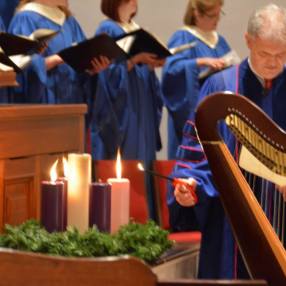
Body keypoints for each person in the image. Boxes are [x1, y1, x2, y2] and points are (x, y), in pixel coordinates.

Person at [169, 3, 286, 279]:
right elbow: (196, 153)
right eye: (264, 53)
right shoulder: (220, 87)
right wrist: (189, 185)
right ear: (248, 41)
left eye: (281, 54)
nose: (273, 62)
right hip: (229, 224)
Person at [91, 0, 164, 219]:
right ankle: (125, 219)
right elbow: (107, 73)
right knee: (128, 158)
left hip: (142, 106)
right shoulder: (108, 29)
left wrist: (150, 64)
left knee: (145, 160)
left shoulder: (136, 29)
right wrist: (135, 60)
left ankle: (146, 221)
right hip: (124, 110)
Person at [162, 0, 232, 159]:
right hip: (193, 115)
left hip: (217, 118)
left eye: (219, 14)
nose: (217, 20)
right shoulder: (183, 37)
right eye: (213, 15)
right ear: (197, 14)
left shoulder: (220, 41)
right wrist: (199, 63)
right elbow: (170, 72)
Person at [8, 0, 109, 105]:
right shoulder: (25, 19)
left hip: (72, 100)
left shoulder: (69, 21)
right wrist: (57, 59)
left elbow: (82, 63)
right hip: (44, 104)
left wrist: (92, 69)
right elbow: (19, 67)